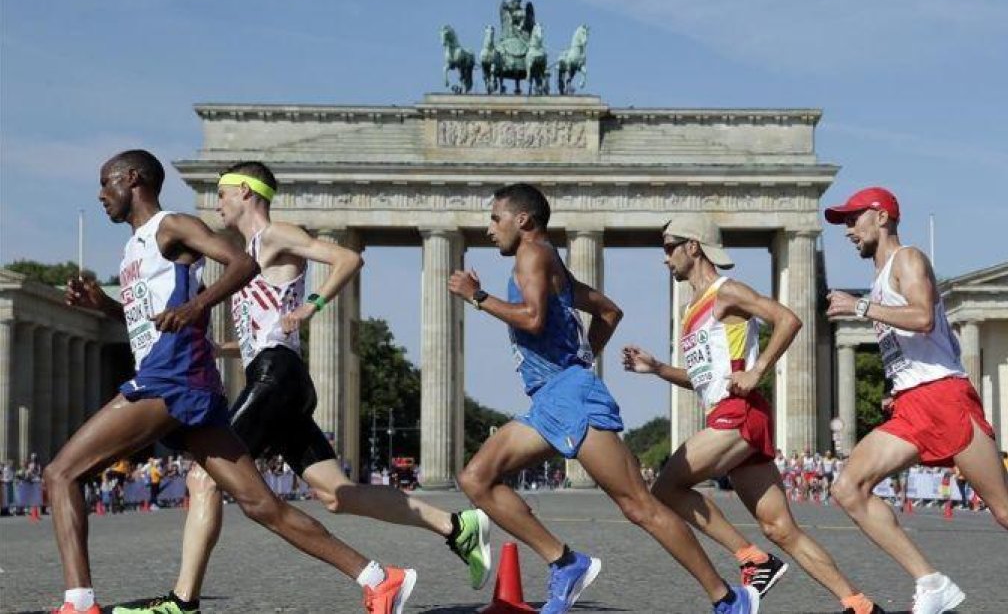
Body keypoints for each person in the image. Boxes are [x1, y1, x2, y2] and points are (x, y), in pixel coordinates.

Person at [47, 150, 415, 614]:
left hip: (171, 380)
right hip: (185, 383)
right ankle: (379, 579)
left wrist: (198, 308)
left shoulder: (172, 225)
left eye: (107, 183)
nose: (101, 195)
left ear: (133, 179)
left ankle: (79, 604)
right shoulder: (133, 249)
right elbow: (154, 320)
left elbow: (243, 264)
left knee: (60, 473)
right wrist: (104, 306)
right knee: (263, 506)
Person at [115, 161, 491, 614]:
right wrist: (223, 348)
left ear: (247, 194)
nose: (217, 202)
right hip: (275, 374)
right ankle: (457, 526)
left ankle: (182, 602)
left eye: (223, 192)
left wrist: (312, 305)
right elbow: (268, 327)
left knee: (203, 476)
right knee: (337, 494)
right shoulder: (253, 246)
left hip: (278, 377)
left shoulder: (275, 234)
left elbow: (348, 258)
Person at [450, 184, 758, 613]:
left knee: (640, 506)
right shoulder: (549, 260)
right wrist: (582, 358)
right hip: (551, 398)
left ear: (523, 220)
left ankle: (728, 598)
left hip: (570, 397)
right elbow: (609, 312)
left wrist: (478, 297)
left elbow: (534, 320)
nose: (489, 229)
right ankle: (565, 562)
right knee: (476, 479)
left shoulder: (533, 255)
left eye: (495, 218)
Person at [823, 187, 1008, 614]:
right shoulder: (880, 277)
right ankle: (931, 581)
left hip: (945, 399)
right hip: (913, 404)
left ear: (881, 216)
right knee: (848, 487)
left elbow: (923, 317)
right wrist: (900, 387)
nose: (848, 230)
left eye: (853, 219)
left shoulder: (908, 259)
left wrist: (860, 308)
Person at [621, 215, 880, 614]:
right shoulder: (694, 307)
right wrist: (657, 369)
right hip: (733, 412)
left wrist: (758, 370)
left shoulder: (727, 292)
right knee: (780, 528)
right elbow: (705, 379)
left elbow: (788, 319)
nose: (664, 256)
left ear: (694, 246)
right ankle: (859, 604)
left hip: (738, 413)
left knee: (666, 487)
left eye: (669, 246)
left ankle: (751, 559)